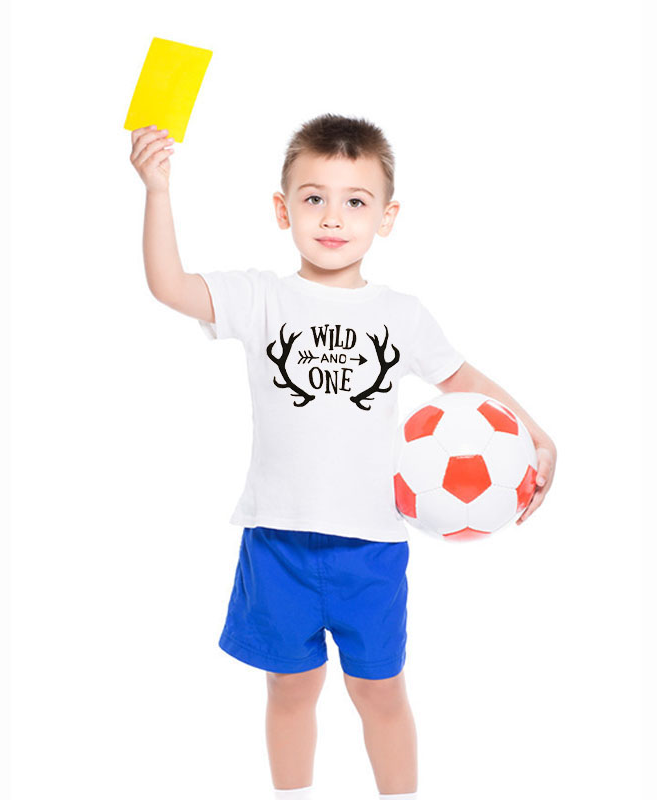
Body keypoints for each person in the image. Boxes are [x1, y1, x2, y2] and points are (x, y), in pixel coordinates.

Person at [129, 113, 557, 800]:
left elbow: (464, 381)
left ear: (386, 217)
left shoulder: (400, 313)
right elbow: (169, 285)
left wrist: (538, 435)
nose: (333, 217)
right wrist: (157, 190)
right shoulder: (261, 296)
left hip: (371, 548)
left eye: (355, 201)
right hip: (278, 542)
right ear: (283, 210)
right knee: (290, 690)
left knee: (380, 693)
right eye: (313, 198)